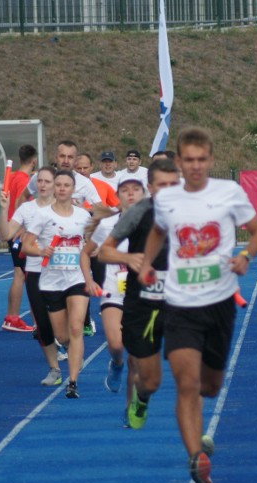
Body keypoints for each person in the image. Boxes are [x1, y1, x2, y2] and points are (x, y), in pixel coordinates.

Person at [139, 127, 257, 483]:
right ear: (178, 163)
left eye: (201, 160)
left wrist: (244, 256)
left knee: (209, 386)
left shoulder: (229, 193)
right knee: (187, 385)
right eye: (188, 160)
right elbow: (159, 232)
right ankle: (196, 457)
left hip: (220, 304)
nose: (195, 166)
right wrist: (148, 263)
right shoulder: (167, 200)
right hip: (180, 305)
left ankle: (198, 448)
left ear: (210, 160)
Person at [99, 159, 181, 430]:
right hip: (142, 303)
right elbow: (104, 251)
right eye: (162, 185)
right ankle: (141, 399)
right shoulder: (139, 214)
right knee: (149, 379)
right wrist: (127, 257)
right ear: (151, 187)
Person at [21, 170, 94, 399]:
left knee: (75, 328)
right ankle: (74, 352)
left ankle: (72, 382)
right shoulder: (42, 216)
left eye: (66, 185)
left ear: (73, 190)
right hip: (51, 282)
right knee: (62, 336)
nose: (62, 188)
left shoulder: (83, 216)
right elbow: (26, 246)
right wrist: (41, 250)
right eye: (59, 185)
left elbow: (92, 245)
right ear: (55, 189)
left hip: (77, 279)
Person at [81, 175, 146, 418]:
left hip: (142, 296)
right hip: (113, 292)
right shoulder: (108, 226)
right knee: (117, 345)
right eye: (125, 190)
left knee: (137, 357)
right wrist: (89, 281)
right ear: (118, 197)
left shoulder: (154, 227)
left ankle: (131, 409)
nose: (130, 194)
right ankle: (116, 363)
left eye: (136, 190)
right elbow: (86, 254)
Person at [0, 166, 62, 386]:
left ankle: (72, 349)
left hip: (62, 273)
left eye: (47, 181)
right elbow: (5, 234)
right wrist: (3, 209)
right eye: (40, 181)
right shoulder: (26, 208)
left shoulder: (64, 208)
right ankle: (54, 369)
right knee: (42, 325)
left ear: (55, 185)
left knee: (63, 328)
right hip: (35, 271)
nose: (43, 185)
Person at [2, 144, 38, 333]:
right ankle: (13, 317)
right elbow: (21, 204)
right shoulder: (25, 180)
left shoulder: (13, 176)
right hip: (18, 230)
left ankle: (11, 316)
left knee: (19, 273)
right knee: (21, 274)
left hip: (11, 227)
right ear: (34, 161)